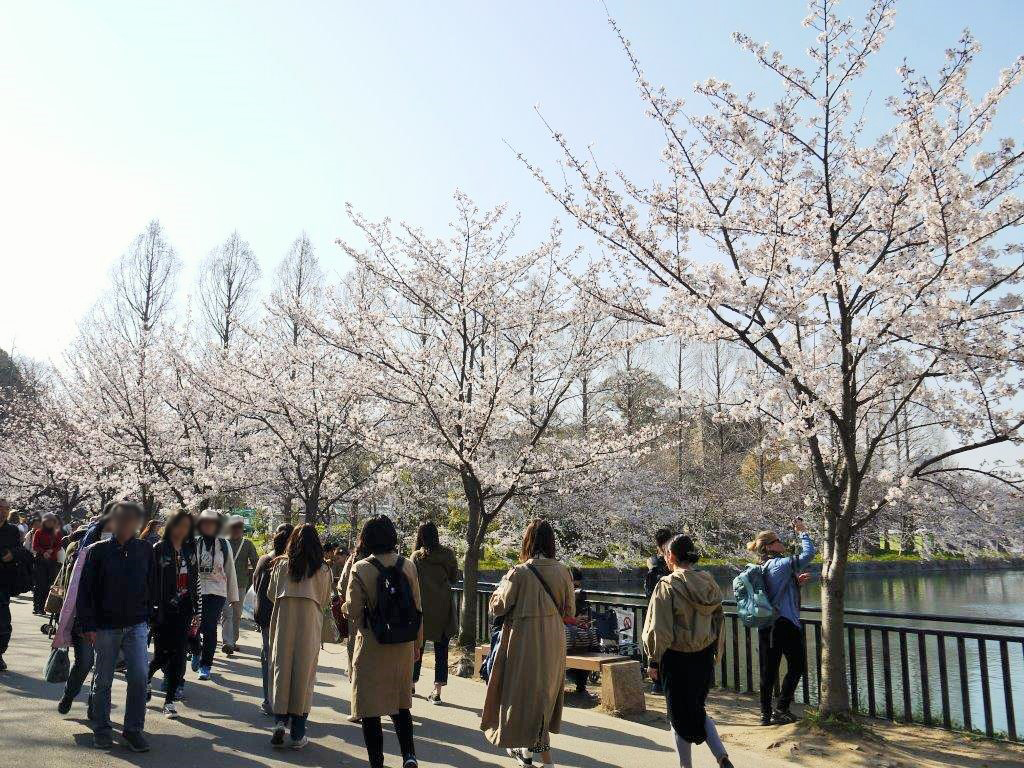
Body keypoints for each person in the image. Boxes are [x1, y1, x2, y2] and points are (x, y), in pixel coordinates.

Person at [481, 519, 574, 768]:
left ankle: (538, 757)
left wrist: (498, 591)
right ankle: (530, 754)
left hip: (524, 640)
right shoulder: (563, 571)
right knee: (543, 697)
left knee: (520, 694)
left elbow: (498, 607)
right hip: (554, 639)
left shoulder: (519, 573)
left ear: (528, 541)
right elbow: (570, 611)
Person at [644, 535, 734, 768]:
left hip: (676, 657)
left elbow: (660, 628)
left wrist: (653, 660)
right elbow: (718, 620)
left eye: (666, 554)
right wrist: (716, 650)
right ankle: (722, 757)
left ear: (671, 556)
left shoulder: (667, 585)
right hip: (703, 655)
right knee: (696, 708)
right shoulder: (708, 582)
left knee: (677, 714)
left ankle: (686, 765)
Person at [344, 515, 423, 768]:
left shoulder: (361, 568)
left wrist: (344, 608)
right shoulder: (408, 565)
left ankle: (376, 762)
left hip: (372, 643)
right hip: (402, 644)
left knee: (370, 709)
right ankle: (409, 755)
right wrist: (417, 645)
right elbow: (417, 608)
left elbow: (354, 610)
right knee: (400, 704)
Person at [75, 500, 154, 752]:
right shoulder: (97, 551)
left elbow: (152, 584)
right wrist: (87, 624)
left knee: (139, 677)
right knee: (103, 679)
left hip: (137, 623)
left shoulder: (145, 549)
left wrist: (150, 615)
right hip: (105, 626)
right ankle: (102, 728)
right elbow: (85, 591)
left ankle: (133, 730)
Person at [266, 524, 333, 749]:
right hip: (309, 624)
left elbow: (270, 594)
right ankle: (297, 733)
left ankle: (279, 722)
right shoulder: (323, 569)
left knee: (281, 670)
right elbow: (325, 599)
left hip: (284, 622)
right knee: (304, 675)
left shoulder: (281, 565)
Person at [747, 518, 815, 725]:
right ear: (769, 546)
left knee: (768, 671)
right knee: (797, 665)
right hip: (785, 623)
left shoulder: (764, 566)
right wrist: (802, 532)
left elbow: (775, 591)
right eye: (777, 540)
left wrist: (795, 583)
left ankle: (765, 714)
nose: (781, 542)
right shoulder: (780, 564)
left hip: (767, 624)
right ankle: (782, 709)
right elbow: (808, 555)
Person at [55, 513, 113, 716]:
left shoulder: (128, 550)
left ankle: (94, 705)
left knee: (104, 667)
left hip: (112, 618)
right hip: (85, 616)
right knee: (85, 662)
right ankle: (69, 694)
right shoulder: (85, 549)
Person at [149, 510, 200, 718]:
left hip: (184, 609)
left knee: (178, 655)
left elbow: (195, 582)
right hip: (163, 610)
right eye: (179, 525)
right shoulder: (159, 549)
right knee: (162, 655)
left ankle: (169, 701)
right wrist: (151, 608)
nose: (182, 530)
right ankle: (146, 677)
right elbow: (151, 581)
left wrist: (197, 611)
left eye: (187, 526)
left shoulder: (190, 550)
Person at [411, 521, 459, 704]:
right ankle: (437, 691)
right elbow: (454, 578)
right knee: (442, 650)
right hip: (443, 608)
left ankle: (411, 684)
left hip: (422, 608)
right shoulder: (448, 554)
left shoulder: (417, 557)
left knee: (417, 646)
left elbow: (410, 579)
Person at [193, 509, 239, 680]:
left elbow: (230, 570)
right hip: (196, 590)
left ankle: (206, 665)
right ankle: (195, 650)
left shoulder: (223, 545)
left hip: (217, 591)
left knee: (210, 626)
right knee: (195, 626)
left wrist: (233, 597)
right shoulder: (194, 542)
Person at [253, 522, 294, 715]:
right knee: (287, 661)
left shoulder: (265, 560)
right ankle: (286, 704)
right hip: (287, 618)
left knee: (269, 659)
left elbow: (256, 586)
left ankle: (269, 701)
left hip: (266, 617)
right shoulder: (293, 564)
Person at [221, 514, 258, 656]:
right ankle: (227, 642)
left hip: (240, 584)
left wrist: (254, 577)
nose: (236, 529)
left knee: (236, 614)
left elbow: (256, 563)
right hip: (223, 583)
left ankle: (233, 640)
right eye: (233, 527)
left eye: (239, 527)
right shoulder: (223, 542)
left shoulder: (247, 544)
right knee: (227, 613)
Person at [0, 498, 28, 671]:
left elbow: (21, 549)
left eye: (6, 508)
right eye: (1, 508)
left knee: (3, 622)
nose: (3, 511)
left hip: (4, 580)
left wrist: (13, 554)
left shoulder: (12, 530)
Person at [336, 537, 368, 677]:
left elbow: (342, 585)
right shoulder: (394, 561)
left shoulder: (355, 559)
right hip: (382, 619)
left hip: (357, 613)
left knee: (355, 648)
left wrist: (347, 602)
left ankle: (353, 675)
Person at [565, 567, 598, 699]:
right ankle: (579, 683)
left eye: (577, 586)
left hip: (574, 632)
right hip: (562, 632)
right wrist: (574, 621)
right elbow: (556, 616)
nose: (576, 589)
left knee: (590, 639)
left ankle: (581, 685)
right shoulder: (559, 594)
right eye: (574, 586)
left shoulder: (578, 599)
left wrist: (583, 623)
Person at [32, 512, 64, 615]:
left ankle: (44, 606)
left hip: (52, 561)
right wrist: (43, 552)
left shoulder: (57, 533)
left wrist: (52, 550)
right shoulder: (38, 532)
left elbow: (59, 545)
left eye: (51, 521)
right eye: (48, 521)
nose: (49, 523)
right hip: (40, 561)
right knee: (39, 584)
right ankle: (36, 606)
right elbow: (35, 546)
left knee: (48, 585)